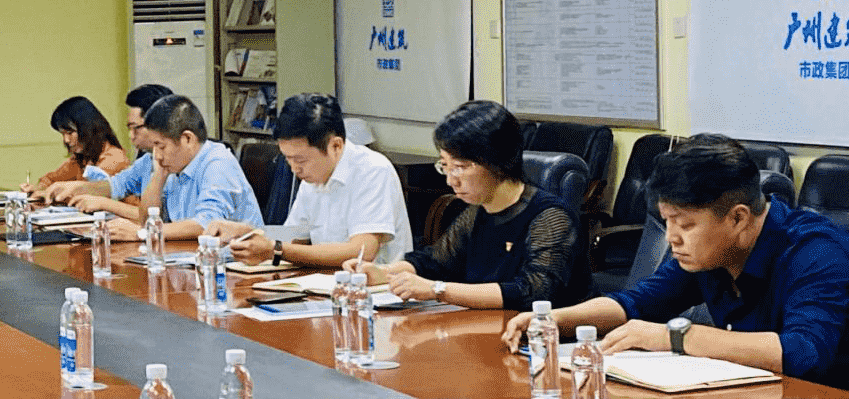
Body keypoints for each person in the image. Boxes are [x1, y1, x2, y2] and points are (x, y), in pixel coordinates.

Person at [501, 133, 849, 388]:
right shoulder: (710, 251)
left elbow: (804, 353)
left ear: (738, 217)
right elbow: (637, 304)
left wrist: (677, 337)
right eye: (667, 221)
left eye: (685, 224)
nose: (670, 238)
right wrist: (552, 320)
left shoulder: (816, 252)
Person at [343, 100, 596, 311]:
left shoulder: (551, 217)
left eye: (460, 167)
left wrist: (437, 290)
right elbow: (435, 261)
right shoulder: (478, 211)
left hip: (546, 341)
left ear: (497, 161)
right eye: (445, 166)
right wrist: (383, 273)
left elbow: (533, 292)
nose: (451, 180)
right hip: (488, 328)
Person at [207, 93, 412, 267]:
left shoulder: (373, 170)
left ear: (336, 146)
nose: (294, 169)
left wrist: (275, 250)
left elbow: (362, 252)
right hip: (323, 283)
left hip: (374, 291)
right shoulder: (312, 176)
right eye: (287, 158)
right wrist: (246, 232)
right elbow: (295, 236)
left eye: (300, 160)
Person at [104, 94, 263, 241]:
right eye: (154, 147)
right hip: (191, 254)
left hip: (235, 258)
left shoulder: (218, 163)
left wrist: (142, 234)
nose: (157, 156)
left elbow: (206, 225)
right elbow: (147, 220)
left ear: (187, 139)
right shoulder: (175, 166)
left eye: (161, 146)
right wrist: (158, 176)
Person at [44, 84, 173, 219]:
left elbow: (155, 217)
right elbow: (115, 185)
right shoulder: (146, 161)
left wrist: (103, 203)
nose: (131, 136)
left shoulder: (181, 165)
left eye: (135, 128)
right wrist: (75, 187)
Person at [22, 96, 129, 199]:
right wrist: (37, 188)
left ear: (89, 128)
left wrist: (48, 193)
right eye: (63, 134)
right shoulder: (81, 159)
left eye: (70, 132)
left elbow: (87, 194)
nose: (66, 140)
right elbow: (50, 179)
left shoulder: (114, 158)